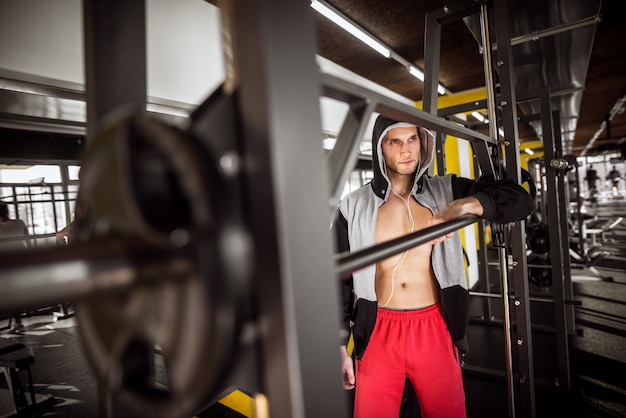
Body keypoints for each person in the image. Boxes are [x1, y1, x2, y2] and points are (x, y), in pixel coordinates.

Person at [333, 115, 534, 418]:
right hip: (376, 331)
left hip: (434, 327)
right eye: (394, 142)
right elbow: (339, 279)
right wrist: (337, 344)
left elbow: (521, 198)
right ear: (379, 148)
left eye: (412, 139)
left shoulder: (447, 190)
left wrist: (469, 204)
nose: (406, 150)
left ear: (423, 141)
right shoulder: (353, 205)